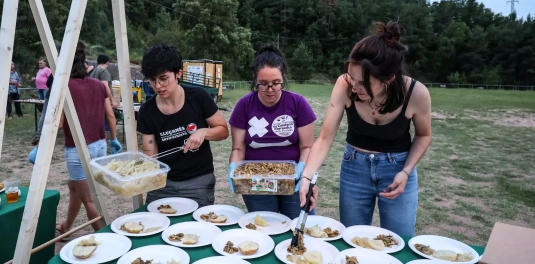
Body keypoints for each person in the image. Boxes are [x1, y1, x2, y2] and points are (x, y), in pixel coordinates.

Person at [299, 21, 432, 237]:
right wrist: (306, 177)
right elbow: (324, 139)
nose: (353, 86)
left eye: (362, 82)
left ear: (389, 78)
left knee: (398, 240)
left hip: (397, 168)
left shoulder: (416, 93)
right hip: (354, 168)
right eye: (351, 77)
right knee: (353, 239)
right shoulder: (345, 85)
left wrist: (406, 171)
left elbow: (424, 135)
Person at [228, 44, 317, 219]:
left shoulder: (298, 103)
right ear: (255, 80)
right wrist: (234, 170)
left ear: (283, 78)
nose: (270, 90)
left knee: (298, 226)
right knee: (266, 225)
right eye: (263, 84)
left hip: (294, 180)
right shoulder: (244, 106)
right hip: (256, 181)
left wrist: (302, 171)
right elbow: (238, 148)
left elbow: (307, 146)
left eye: (276, 83)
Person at [137, 44, 229, 207]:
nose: (158, 86)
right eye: (152, 80)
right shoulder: (147, 110)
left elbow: (223, 131)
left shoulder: (198, 97)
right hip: (162, 183)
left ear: (178, 73)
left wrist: (203, 132)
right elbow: (151, 155)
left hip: (198, 182)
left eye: (163, 79)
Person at [55, 42, 118, 236]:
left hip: (78, 149)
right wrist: (114, 139)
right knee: (74, 186)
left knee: (89, 199)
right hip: (100, 145)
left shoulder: (64, 87)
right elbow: (110, 115)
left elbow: (58, 124)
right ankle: (67, 227)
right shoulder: (98, 84)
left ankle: (107, 239)